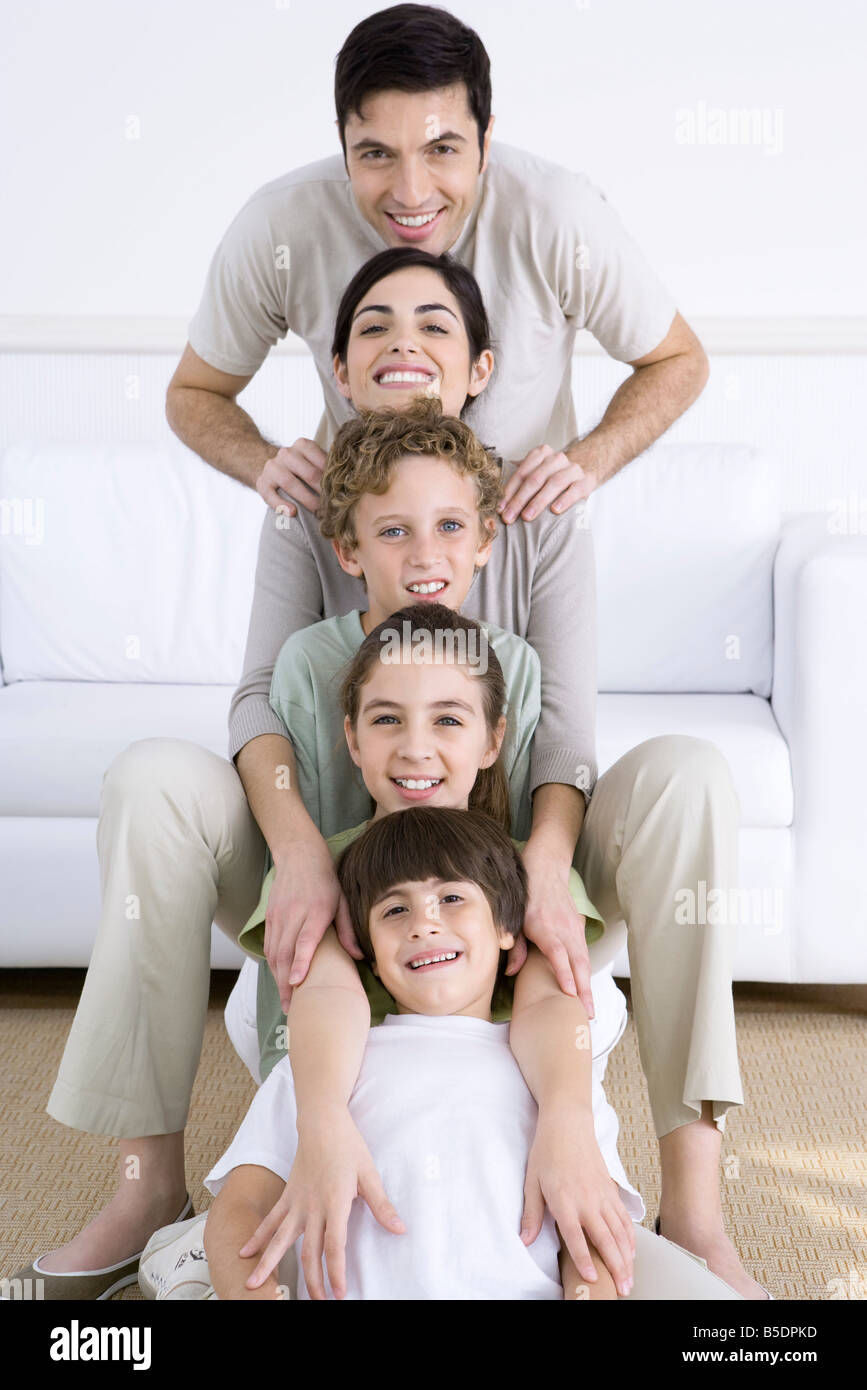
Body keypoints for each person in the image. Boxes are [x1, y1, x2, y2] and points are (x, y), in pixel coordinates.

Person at [10, 247, 760, 1300]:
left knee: (687, 776)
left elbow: (564, 740)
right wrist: (304, 856)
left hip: (503, 870)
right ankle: (150, 1188)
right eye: (374, 329)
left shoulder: (537, 517)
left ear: (483, 366)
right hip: (340, 874)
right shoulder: (308, 513)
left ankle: (696, 1205)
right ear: (337, 368)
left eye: (434, 329)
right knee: (152, 781)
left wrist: (544, 865)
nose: (426, 550)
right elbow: (259, 704)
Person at [202, 806, 741, 1301]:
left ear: (510, 928)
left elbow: (594, 1243)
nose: (423, 923)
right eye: (394, 910)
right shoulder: (326, 1067)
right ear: (360, 945)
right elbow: (239, 1210)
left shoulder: (555, 1081)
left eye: (452, 898)